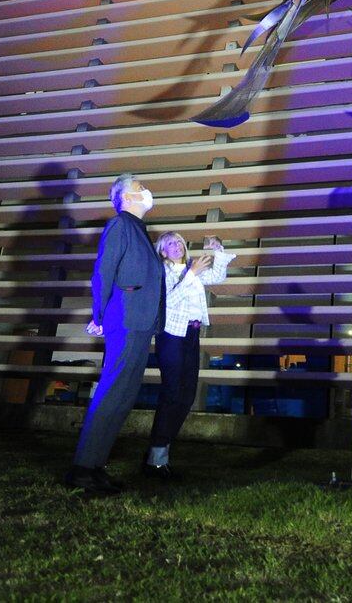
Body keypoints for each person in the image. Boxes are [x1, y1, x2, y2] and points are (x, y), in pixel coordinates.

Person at [64, 173, 207, 494]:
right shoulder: (120, 225)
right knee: (113, 392)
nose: (146, 191)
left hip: (141, 324)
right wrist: (98, 314)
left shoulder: (139, 231)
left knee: (124, 397)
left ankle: (96, 466)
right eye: (140, 188)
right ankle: (83, 468)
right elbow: (103, 271)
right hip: (125, 320)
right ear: (126, 199)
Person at [142, 232, 231, 479]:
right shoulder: (162, 272)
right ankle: (157, 460)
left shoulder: (188, 270)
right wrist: (192, 273)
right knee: (172, 393)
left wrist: (218, 251)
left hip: (191, 334)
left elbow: (217, 276)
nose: (177, 245)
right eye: (170, 243)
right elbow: (168, 302)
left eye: (179, 241)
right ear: (162, 251)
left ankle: (156, 452)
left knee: (187, 395)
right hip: (170, 335)